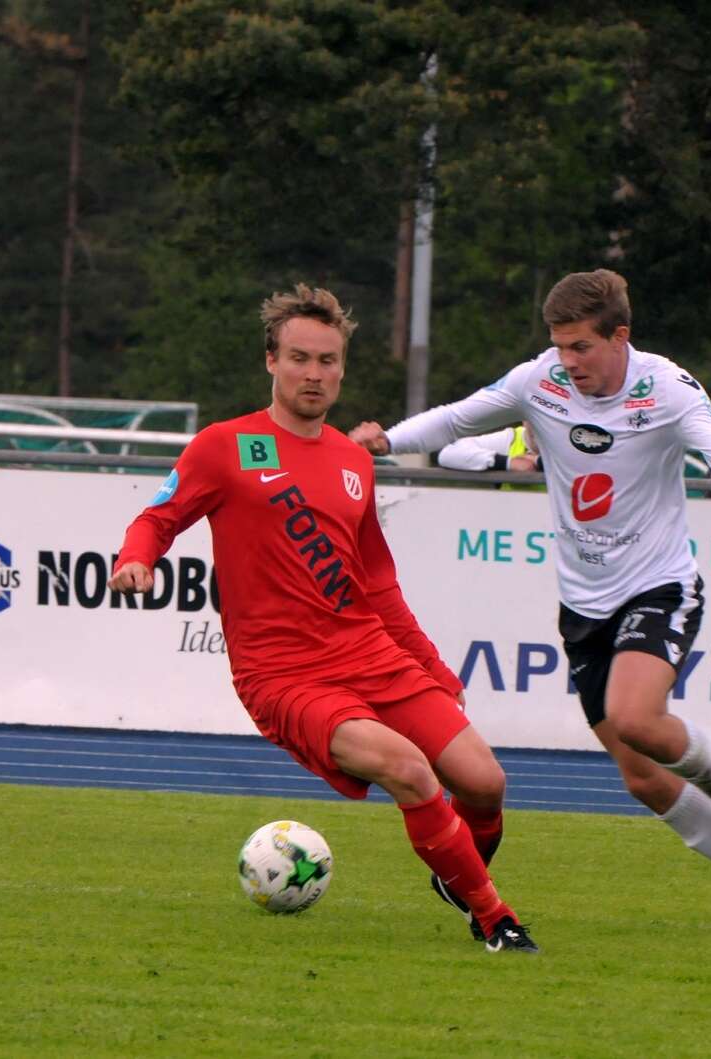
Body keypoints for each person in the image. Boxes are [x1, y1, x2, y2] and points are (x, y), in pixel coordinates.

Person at [351, 269, 711, 936]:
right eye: (559, 346)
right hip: (583, 609)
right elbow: (456, 418)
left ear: (620, 336)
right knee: (643, 779)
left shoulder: (667, 389)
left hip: (660, 586)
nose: (567, 362)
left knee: (636, 716)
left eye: (580, 347)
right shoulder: (539, 381)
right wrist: (387, 440)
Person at [108, 284, 538, 954]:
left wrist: (431, 667)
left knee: (485, 782)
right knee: (410, 770)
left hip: (371, 654)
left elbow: (379, 584)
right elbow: (157, 517)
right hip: (283, 673)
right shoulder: (225, 446)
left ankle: (457, 873)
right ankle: (493, 916)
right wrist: (136, 558)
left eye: (327, 361)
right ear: (271, 362)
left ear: (342, 368)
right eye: (300, 358)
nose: (314, 373)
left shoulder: (352, 459)